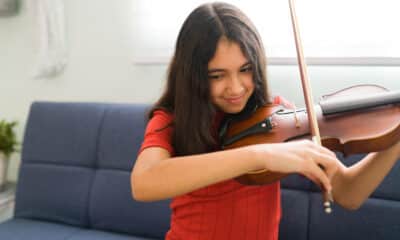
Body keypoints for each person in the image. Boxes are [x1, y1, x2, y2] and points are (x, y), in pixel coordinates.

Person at [131, 2, 400, 240]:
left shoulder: (280, 118)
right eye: (217, 75)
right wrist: (261, 155)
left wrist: (395, 136)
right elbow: (143, 184)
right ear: (193, 75)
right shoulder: (171, 120)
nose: (235, 87)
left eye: (245, 70)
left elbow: (349, 194)